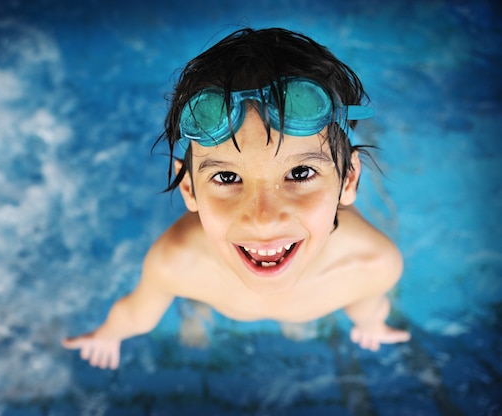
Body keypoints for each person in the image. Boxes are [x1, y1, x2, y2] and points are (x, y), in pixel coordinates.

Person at [62, 28, 411, 370]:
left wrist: (371, 325)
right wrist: (108, 334)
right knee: (197, 304)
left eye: (301, 174)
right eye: (227, 177)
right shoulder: (176, 262)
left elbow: (368, 303)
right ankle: (199, 310)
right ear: (189, 189)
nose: (262, 219)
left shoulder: (371, 264)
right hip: (206, 281)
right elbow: (137, 314)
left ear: (348, 179)